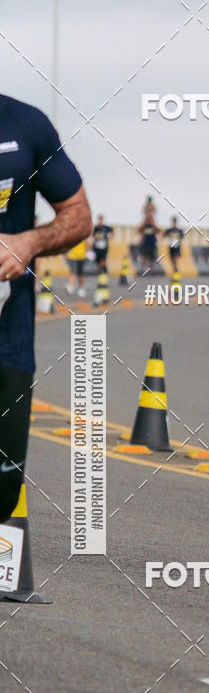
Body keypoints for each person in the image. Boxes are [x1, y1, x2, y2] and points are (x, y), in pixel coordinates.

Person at [0, 93, 91, 523]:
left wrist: (28, 242)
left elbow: (77, 216)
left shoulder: (25, 124)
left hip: (8, 338)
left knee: (3, 488)